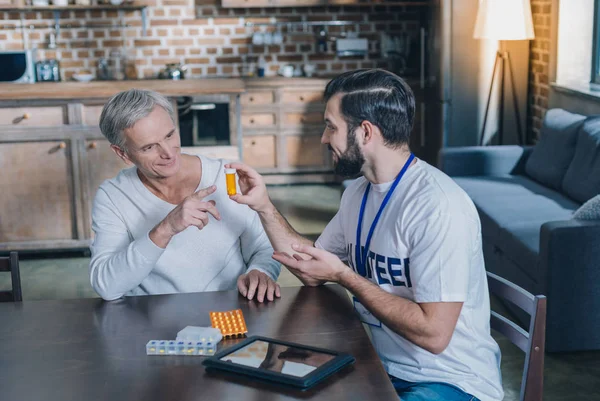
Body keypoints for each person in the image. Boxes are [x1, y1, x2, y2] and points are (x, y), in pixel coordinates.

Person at [226, 69, 504, 401]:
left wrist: (344, 276)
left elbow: (434, 335)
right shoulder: (358, 192)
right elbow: (312, 269)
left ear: (366, 132)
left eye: (331, 127)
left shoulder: (438, 207)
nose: (323, 138)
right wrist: (264, 207)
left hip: (449, 380)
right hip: (381, 365)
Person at [90, 89, 280, 302]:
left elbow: (264, 247)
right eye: (149, 147)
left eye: (170, 135)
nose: (169, 153)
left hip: (230, 315)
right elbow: (107, 285)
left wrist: (261, 272)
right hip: (153, 324)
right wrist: (166, 228)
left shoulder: (224, 176)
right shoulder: (112, 196)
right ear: (122, 153)